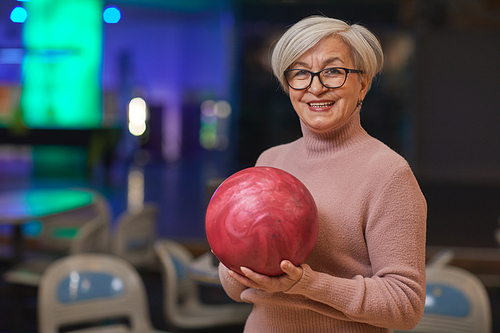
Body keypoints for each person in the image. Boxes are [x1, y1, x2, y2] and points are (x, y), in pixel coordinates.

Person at [217, 15, 427, 332]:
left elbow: (405, 305)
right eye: (300, 73)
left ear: (363, 83)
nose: (316, 87)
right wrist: (233, 259)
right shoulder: (271, 161)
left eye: (333, 71)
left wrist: (307, 284)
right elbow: (236, 289)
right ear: (288, 85)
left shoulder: (388, 173)